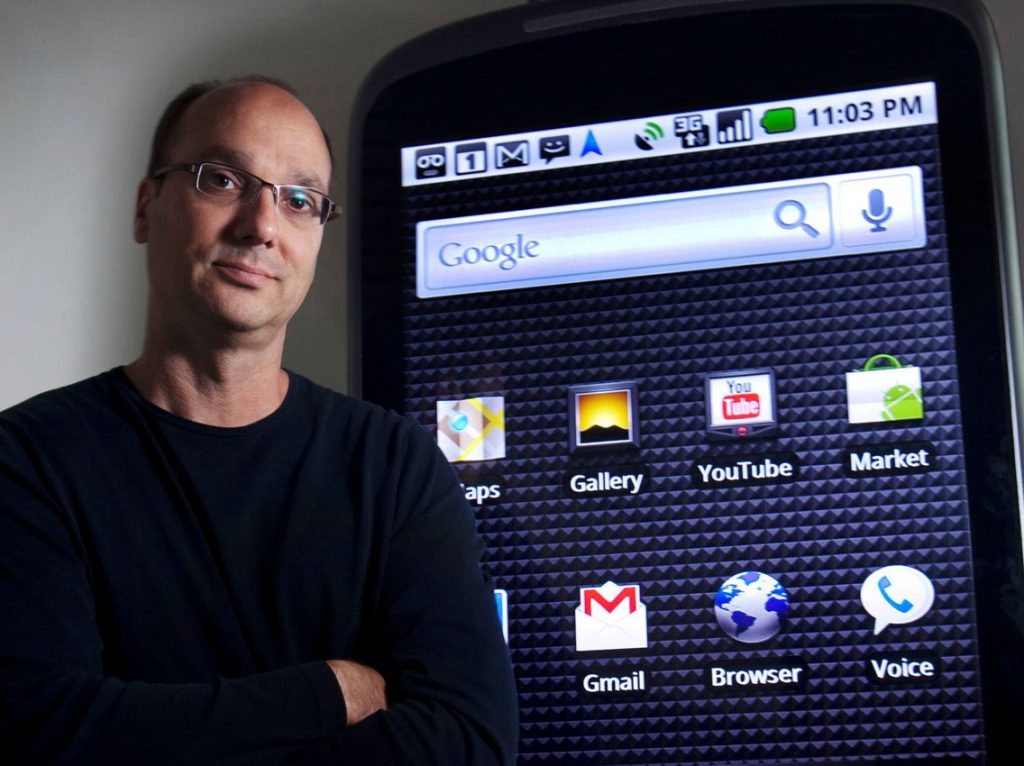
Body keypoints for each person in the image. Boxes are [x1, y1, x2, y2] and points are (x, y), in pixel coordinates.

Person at [0, 77, 518, 765]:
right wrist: (327, 692)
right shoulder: (26, 461)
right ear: (147, 207)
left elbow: (470, 741)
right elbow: (41, 733)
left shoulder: (393, 465)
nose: (262, 227)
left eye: (299, 200)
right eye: (222, 180)